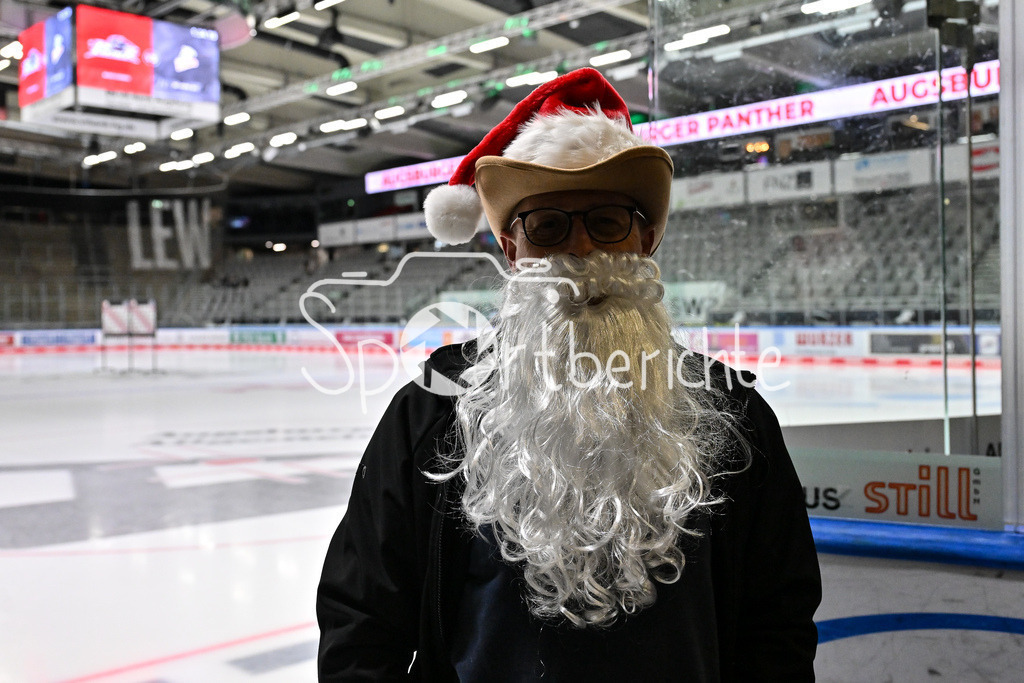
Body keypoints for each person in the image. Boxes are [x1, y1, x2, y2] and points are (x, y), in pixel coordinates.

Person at [317, 68, 821, 682]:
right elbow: (363, 618)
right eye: (548, 226)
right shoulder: (434, 409)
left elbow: (777, 623)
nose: (579, 250)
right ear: (511, 248)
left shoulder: (734, 414)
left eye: (607, 221)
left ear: (648, 238)